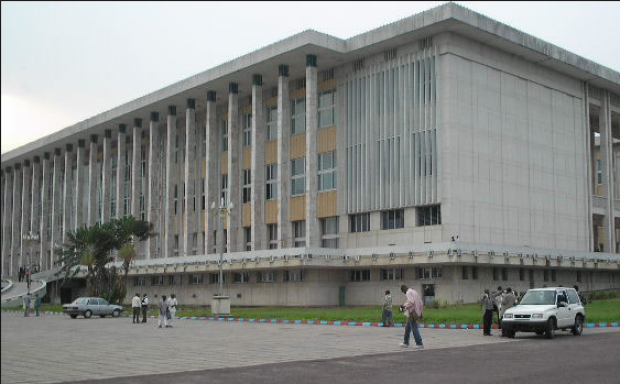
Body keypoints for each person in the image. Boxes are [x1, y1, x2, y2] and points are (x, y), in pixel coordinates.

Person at [399, 285, 424, 350]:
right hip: (415, 312)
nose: (404, 293)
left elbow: (410, 302)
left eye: (403, 292)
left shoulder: (408, 292)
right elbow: (421, 302)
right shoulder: (414, 292)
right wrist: (421, 312)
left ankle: (419, 343)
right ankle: (406, 343)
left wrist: (403, 307)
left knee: (414, 328)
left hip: (412, 313)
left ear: (403, 290)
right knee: (407, 328)